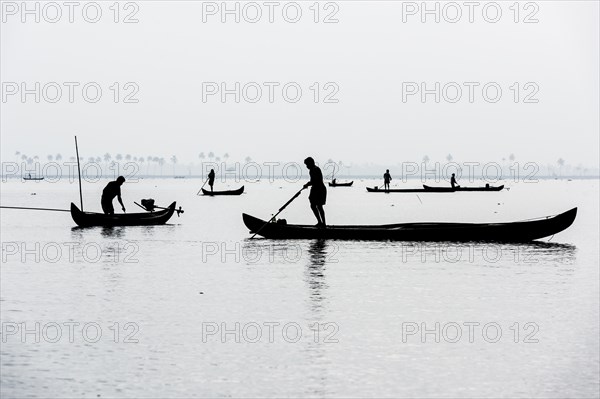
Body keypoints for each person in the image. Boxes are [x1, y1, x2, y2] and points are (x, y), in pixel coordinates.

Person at [303, 157, 327, 227]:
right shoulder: (311, 170)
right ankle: (320, 222)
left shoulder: (315, 169)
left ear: (311, 163)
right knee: (313, 205)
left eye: (307, 164)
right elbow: (313, 181)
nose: (307, 166)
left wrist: (307, 184)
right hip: (315, 189)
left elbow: (315, 181)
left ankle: (323, 223)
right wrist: (308, 184)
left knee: (319, 206)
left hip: (320, 189)